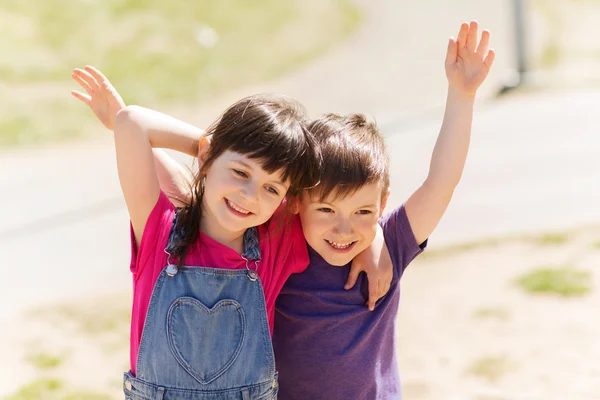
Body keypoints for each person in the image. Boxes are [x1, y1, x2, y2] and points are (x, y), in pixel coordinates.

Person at [272, 20, 495, 399]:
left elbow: (441, 182)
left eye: (362, 212)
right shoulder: (276, 243)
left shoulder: (390, 244)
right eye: (326, 210)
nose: (344, 230)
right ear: (295, 201)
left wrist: (462, 95)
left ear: (382, 204)